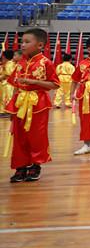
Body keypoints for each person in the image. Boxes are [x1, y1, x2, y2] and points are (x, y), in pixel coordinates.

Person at [6, 29, 58, 183]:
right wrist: (11, 109)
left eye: (27, 42)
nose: (23, 45)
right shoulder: (20, 62)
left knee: (36, 136)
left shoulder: (46, 63)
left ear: (40, 45)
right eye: (22, 41)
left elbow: (54, 84)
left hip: (38, 104)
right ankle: (20, 166)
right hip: (20, 102)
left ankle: (36, 165)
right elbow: (15, 85)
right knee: (19, 136)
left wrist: (35, 82)